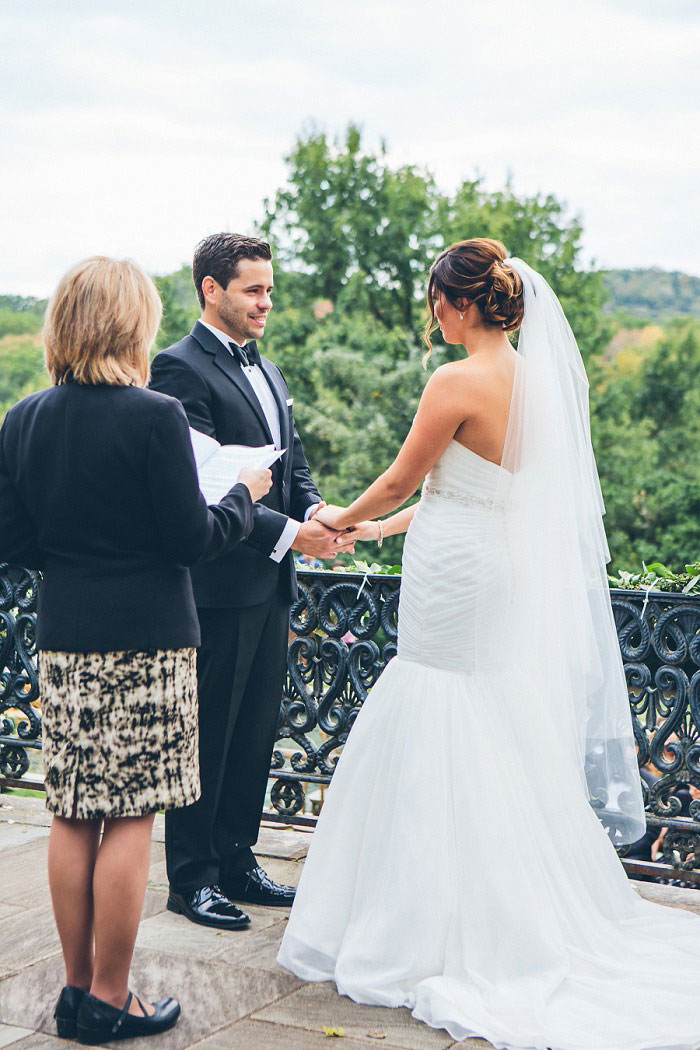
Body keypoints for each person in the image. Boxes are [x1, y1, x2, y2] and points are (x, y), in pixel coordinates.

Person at [278, 239, 700, 1049]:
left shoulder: (455, 379)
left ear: (462, 303)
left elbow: (406, 476)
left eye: (436, 299)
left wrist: (329, 520)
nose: (431, 312)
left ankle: (438, 917)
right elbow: (461, 489)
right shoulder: (536, 383)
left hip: (454, 575)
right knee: (480, 705)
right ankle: (492, 895)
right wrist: (378, 527)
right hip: (488, 559)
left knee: (438, 697)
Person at [0, 257, 272, 1045]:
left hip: (68, 637)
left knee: (72, 811)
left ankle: (75, 990)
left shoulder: (22, 418)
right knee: (129, 814)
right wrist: (241, 496)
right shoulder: (154, 416)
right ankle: (112, 999)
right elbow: (194, 540)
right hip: (150, 639)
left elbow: (13, 541)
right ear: (133, 324)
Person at [149, 233, 354, 930]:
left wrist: (322, 514)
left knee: (254, 729)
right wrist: (294, 533)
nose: (267, 302)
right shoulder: (176, 370)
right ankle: (192, 878)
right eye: (253, 290)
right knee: (206, 734)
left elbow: (290, 472)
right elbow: (204, 485)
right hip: (215, 585)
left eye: (269, 289)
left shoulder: (270, 371)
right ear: (211, 289)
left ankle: (237, 859)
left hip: (271, 585)